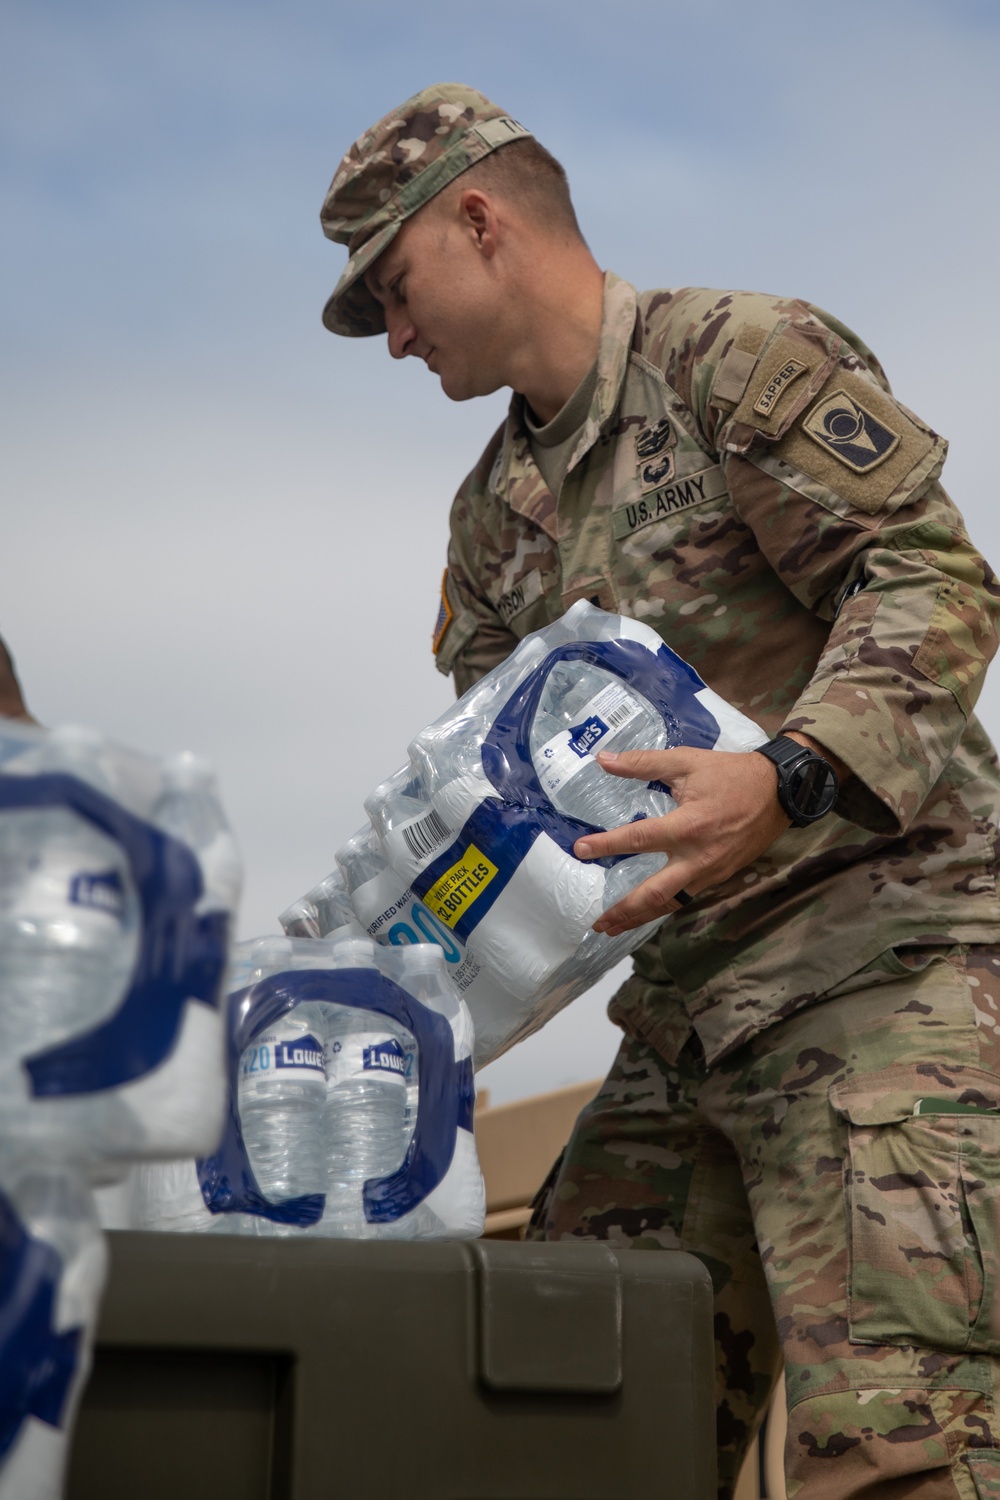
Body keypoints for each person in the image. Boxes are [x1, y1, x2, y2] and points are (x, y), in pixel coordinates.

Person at [320, 84, 1000, 1500]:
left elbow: (930, 582)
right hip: (687, 1016)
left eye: (395, 287)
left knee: (901, 1452)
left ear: (480, 218)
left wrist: (788, 773)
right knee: (561, 1427)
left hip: (881, 974)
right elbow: (499, 814)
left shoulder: (733, 363)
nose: (393, 335)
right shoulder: (492, 517)